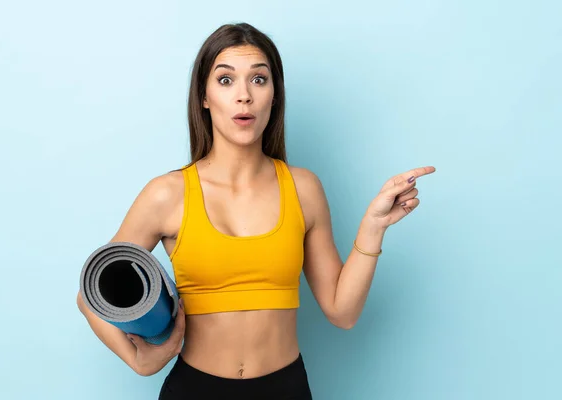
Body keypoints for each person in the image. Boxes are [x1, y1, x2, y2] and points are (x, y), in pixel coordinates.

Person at [76, 22, 435, 399]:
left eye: (259, 80)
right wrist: (140, 360)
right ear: (204, 96)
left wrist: (373, 227)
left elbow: (341, 312)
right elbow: (90, 297)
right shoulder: (167, 194)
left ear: (275, 96)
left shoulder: (303, 188)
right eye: (226, 80)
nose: (244, 96)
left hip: (286, 388)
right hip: (194, 389)